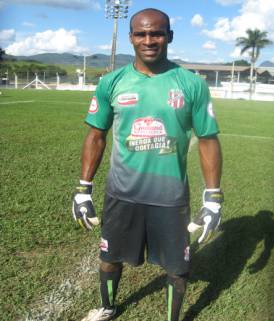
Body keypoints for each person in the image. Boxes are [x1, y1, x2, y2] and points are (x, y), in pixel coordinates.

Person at [72, 8, 223, 321]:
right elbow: (96, 136)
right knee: (109, 256)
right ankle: (108, 307)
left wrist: (213, 197)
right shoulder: (112, 82)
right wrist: (83, 189)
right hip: (121, 193)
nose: (149, 40)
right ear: (131, 38)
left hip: (169, 197)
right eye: (141, 33)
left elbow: (208, 140)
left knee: (177, 268)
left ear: (169, 36)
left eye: (156, 33)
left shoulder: (191, 84)